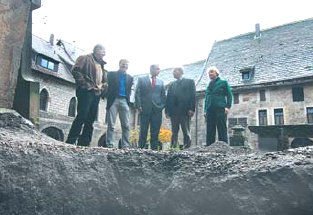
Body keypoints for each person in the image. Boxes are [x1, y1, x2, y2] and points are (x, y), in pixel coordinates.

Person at [66, 44, 107, 146]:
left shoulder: (101, 64)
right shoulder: (85, 58)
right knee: (82, 116)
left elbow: (102, 79)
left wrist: (103, 86)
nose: (105, 53)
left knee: (91, 119)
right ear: (97, 51)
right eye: (103, 51)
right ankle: (71, 140)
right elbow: (75, 70)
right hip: (86, 91)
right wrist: (85, 85)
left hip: (96, 93)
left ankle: (84, 143)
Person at [135, 64, 166, 150]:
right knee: (143, 130)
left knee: (155, 131)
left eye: (159, 69)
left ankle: (154, 149)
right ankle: (140, 149)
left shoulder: (161, 82)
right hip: (144, 108)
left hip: (157, 110)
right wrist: (139, 105)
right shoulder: (141, 79)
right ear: (151, 69)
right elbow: (137, 93)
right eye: (157, 69)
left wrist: (161, 106)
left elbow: (163, 95)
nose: (159, 71)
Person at [165, 66, 196, 149]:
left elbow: (193, 96)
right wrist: (167, 111)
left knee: (186, 131)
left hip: (185, 111)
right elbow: (168, 98)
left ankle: (187, 148)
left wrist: (192, 109)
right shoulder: (171, 85)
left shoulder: (190, 82)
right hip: (173, 112)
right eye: (173, 71)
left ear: (181, 72)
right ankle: (173, 148)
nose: (173, 73)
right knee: (174, 132)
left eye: (175, 71)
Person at [105, 59, 133, 148]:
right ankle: (110, 144)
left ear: (128, 67)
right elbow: (106, 86)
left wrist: (128, 101)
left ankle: (125, 145)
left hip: (124, 101)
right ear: (119, 64)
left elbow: (129, 91)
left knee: (126, 125)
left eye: (126, 65)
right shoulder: (111, 74)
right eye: (123, 64)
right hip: (113, 100)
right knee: (111, 124)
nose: (124, 66)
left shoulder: (130, 78)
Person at [204, 66, 233, 146]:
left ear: (216, 73)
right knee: (210, 129)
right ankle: (209, 146)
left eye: (212, 72)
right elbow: (206, 99)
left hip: (220, 108)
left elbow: (229, 95)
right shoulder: (209, 86)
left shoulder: (223, 82)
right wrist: (205, 110)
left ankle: (224, 146)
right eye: (209, 73)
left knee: (222, 128)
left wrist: (227, 106)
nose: (210, 74)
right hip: (210, 110)